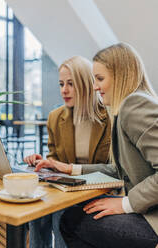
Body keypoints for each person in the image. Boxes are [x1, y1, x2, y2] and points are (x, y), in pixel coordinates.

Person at [60, 43, 158, 248]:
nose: (95, 86)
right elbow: (120, 170)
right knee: (78, 215)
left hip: (153, 221)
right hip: (148, 214)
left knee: (72, 220)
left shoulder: (135, 106)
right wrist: (71, 169)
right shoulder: (129, 106)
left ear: (121, 76)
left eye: (100, 79)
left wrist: (125, 204)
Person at [24, 55, 113, 248]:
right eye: (61, 84)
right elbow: (56, 160)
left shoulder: (110, 117)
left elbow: (113, 168)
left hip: (97, 189)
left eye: (71, 84)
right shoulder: (55, 117)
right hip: (65, 189)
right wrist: (44, 162)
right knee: (37, 211)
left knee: (59, 214)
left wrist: (66, 168)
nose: (64, 90)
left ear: (86, 84)